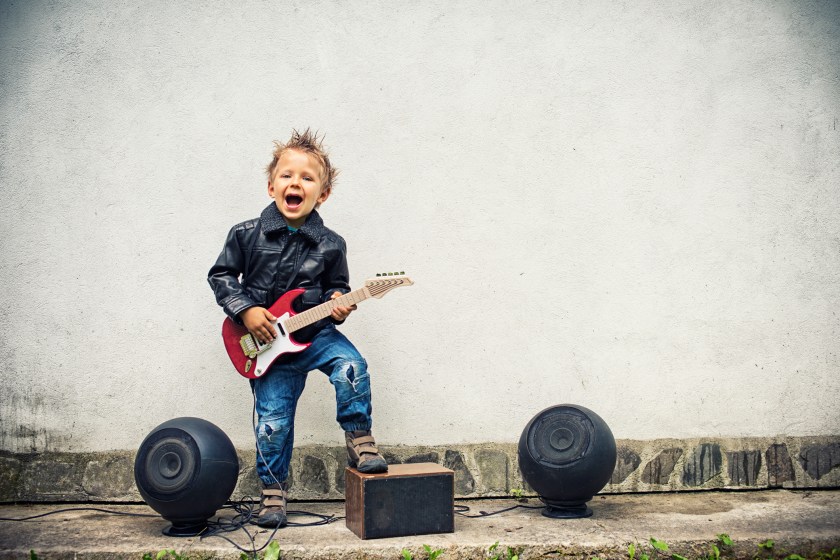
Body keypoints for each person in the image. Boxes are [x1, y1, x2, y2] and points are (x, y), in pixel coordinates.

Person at [208, 129, 387, 528]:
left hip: (316, 334)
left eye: (307, 179)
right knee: (273, 422)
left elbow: (337, 286)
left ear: (321, 195)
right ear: (272, 186)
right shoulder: (245, 233)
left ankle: (359, 438)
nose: (296, 183)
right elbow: (221, 276)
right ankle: (273, 494)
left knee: (351, 366)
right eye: (288, 175)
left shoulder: (331, 243)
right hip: (267, 346)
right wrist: (246, 310)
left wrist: (340, 305)